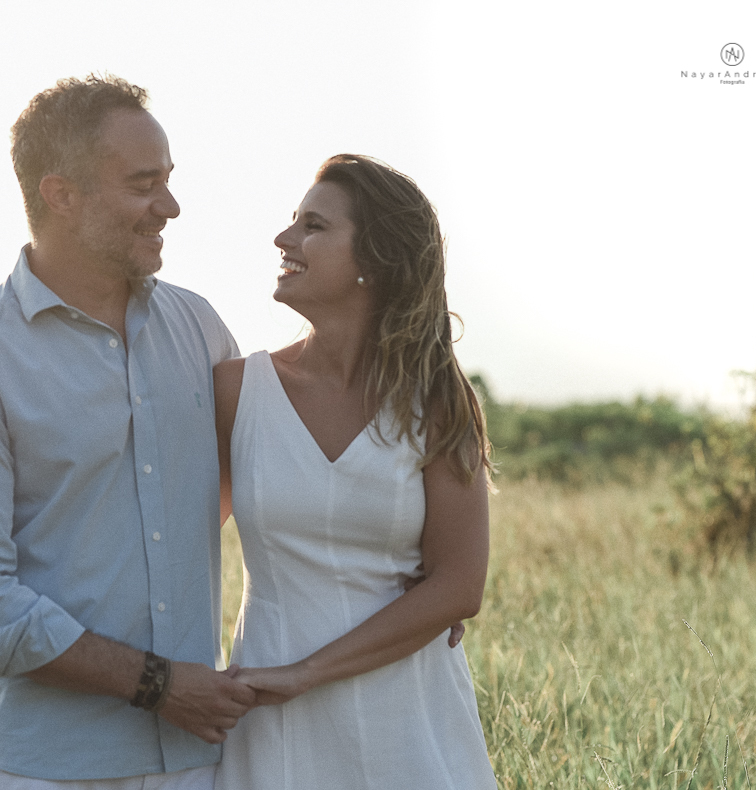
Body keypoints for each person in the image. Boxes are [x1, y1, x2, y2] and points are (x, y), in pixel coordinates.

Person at [0, 75, 256, 790]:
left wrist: (397, 584)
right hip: (35, 766)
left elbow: (261, 487)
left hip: (191, 762)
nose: (170, 206)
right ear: (61, 194)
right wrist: (159, 684)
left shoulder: (200, 330)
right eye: (143, 184)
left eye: (169, 180)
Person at [213, 154, 498, 788]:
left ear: (374, 258)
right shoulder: (236, 392)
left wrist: (305, 673)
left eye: (313, 226)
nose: (285, 239)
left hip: (410, 717)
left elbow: (459, 586)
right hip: (271, 720)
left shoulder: (436, 399)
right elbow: (170, 538)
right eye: (293, 221)